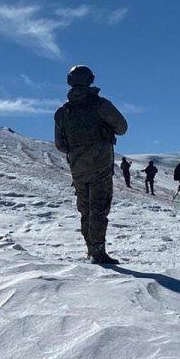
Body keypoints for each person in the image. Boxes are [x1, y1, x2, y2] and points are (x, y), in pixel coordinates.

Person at [54, 65, 128, 265]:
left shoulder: (63, 112)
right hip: (100, 164)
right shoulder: (100, 105)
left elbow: (60, 145)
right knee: (98, 208)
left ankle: (91, 250)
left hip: (78, 168)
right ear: (90, 80)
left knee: (85, 210)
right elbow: (122, 128)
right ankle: (98, 252)